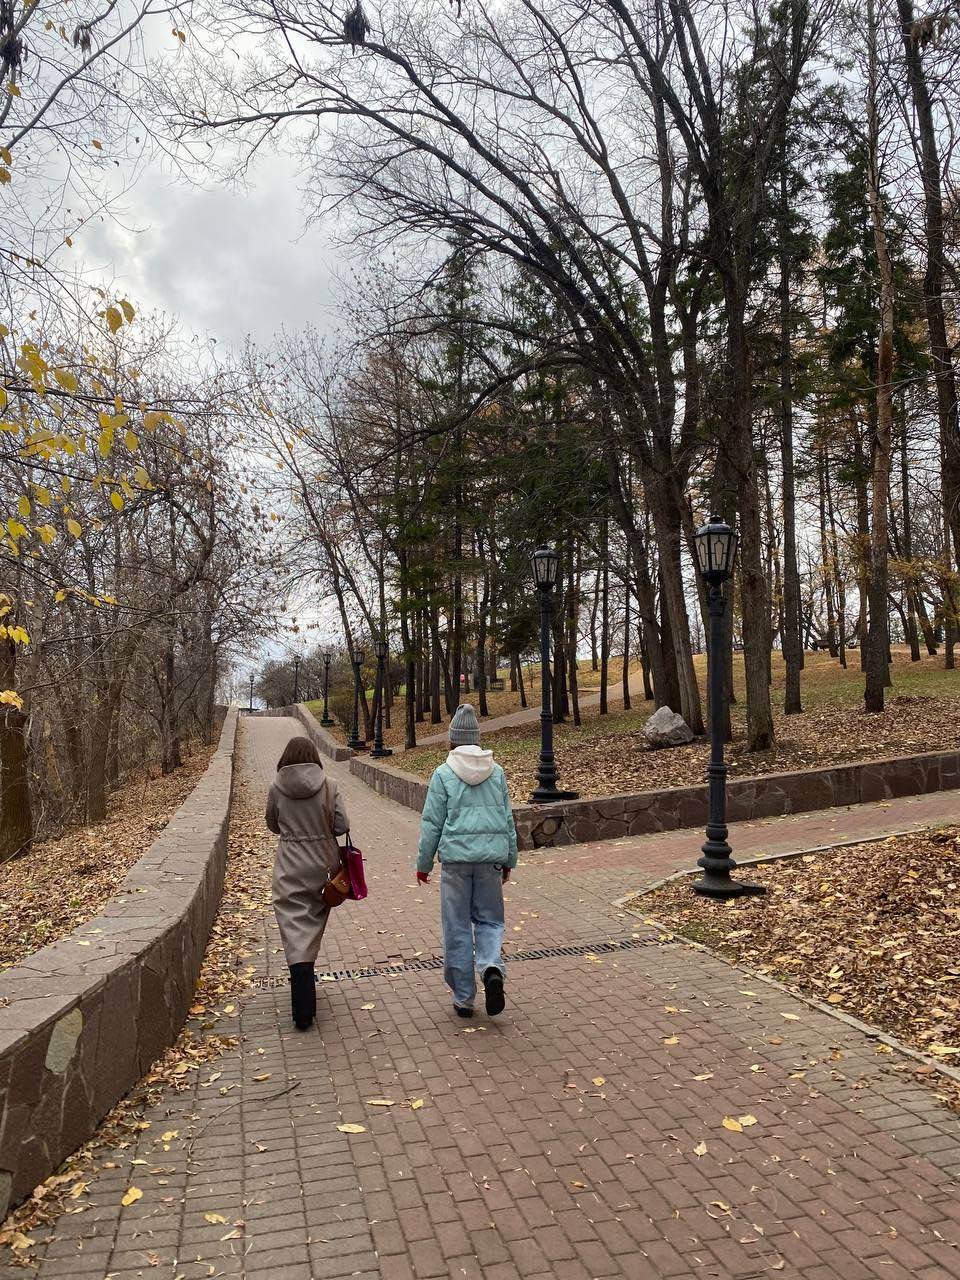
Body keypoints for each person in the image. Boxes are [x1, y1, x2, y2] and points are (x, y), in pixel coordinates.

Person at [416, 704, 518, 1018]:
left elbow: (432, 822)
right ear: (476, 737)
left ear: (453, 739)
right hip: (490, 861)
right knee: (489, 920)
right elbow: (507, 818)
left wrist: (424, 863)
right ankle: (490, 966)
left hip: (456, 863)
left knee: (456, 926)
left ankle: (463, 998)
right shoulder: (496, 772)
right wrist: (509, 858)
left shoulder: (443, 774)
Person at [266, 735, 349, 1030]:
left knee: (293, 925)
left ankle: (301, 998)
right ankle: (305, 987)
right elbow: (342, 825)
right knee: (312, 924)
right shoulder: (329, 786)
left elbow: (272, 824)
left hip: (290, 864)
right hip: (323, 867)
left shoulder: (277, 787)